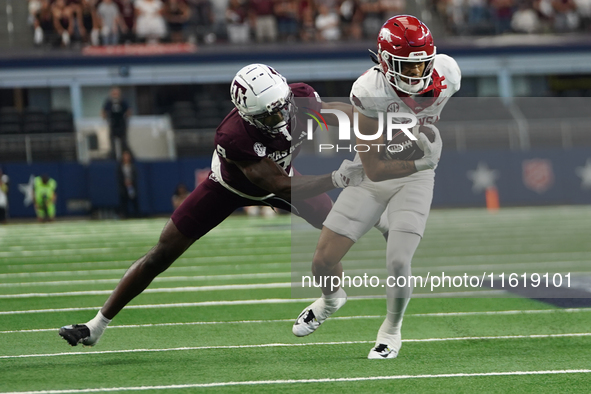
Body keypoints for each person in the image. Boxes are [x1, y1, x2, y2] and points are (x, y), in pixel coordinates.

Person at [58, 63, 365, 347]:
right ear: (247, 115)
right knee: (160, 254)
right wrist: (338, 177)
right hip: (229, 187)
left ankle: (331, 299)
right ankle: (96, 325)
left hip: (284, 177)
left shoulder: (300, 97)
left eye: (283, 107)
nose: (282, 117)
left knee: (336, 233)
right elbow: (276, 185)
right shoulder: (234, 135)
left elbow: (335, 113)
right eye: (269, 116)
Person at [292, 15, 461, 359]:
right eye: (408, 68)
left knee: (399, 261)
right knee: (322, 262)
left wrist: (418, 162)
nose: (418, 75)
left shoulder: (449, 74)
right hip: (374, 174)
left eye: (422, 66)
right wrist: (423, 160)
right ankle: (331, 300)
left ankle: (391, 330)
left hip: (415, 179)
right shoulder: (369, 91)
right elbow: (374, 168)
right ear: (385, 62)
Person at [102, 87, 132, 160]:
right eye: (114, 93)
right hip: (113, 124)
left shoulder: (123, 101)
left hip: (121, 124)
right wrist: (106, 118)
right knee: (112, 143)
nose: (115, 95)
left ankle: (126, 157)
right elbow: (103, 111)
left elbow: (129, 111)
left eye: (117, 93)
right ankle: (113, 157)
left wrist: (126, 118)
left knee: (124, 143)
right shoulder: (109, 102)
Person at [118, 150, 140, 218]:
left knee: (134, 200)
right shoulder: (120, 167)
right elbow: (119, 176)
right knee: (124, 201)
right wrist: (124, 182)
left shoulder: (132, 166)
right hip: (124, 187)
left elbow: (135, 175)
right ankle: (125, 215)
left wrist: (131, 181)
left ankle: (136, 215)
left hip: (131, 186)